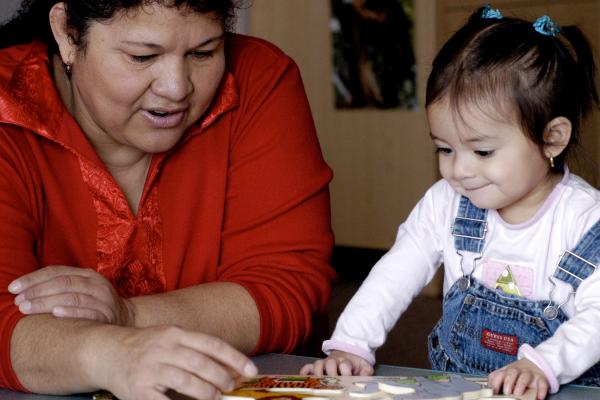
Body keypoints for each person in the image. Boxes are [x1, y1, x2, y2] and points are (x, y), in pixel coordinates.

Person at [0, 0, 336, 399]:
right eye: (143, 56)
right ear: (67, 34)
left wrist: (126, 315)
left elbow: (287, 287)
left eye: (203, 52)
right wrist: (115, 355)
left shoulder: (259, 79)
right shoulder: (8, 107)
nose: (177, 87)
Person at [301, 5, 600, 400]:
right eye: (444, 148)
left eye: (482, 151)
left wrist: (542, 364)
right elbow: (396, 272)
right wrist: (350, 343)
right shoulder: (448, 202)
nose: (458, 170)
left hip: (562, 388)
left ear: (552, 139)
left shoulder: (584, 220)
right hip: (462, 390)